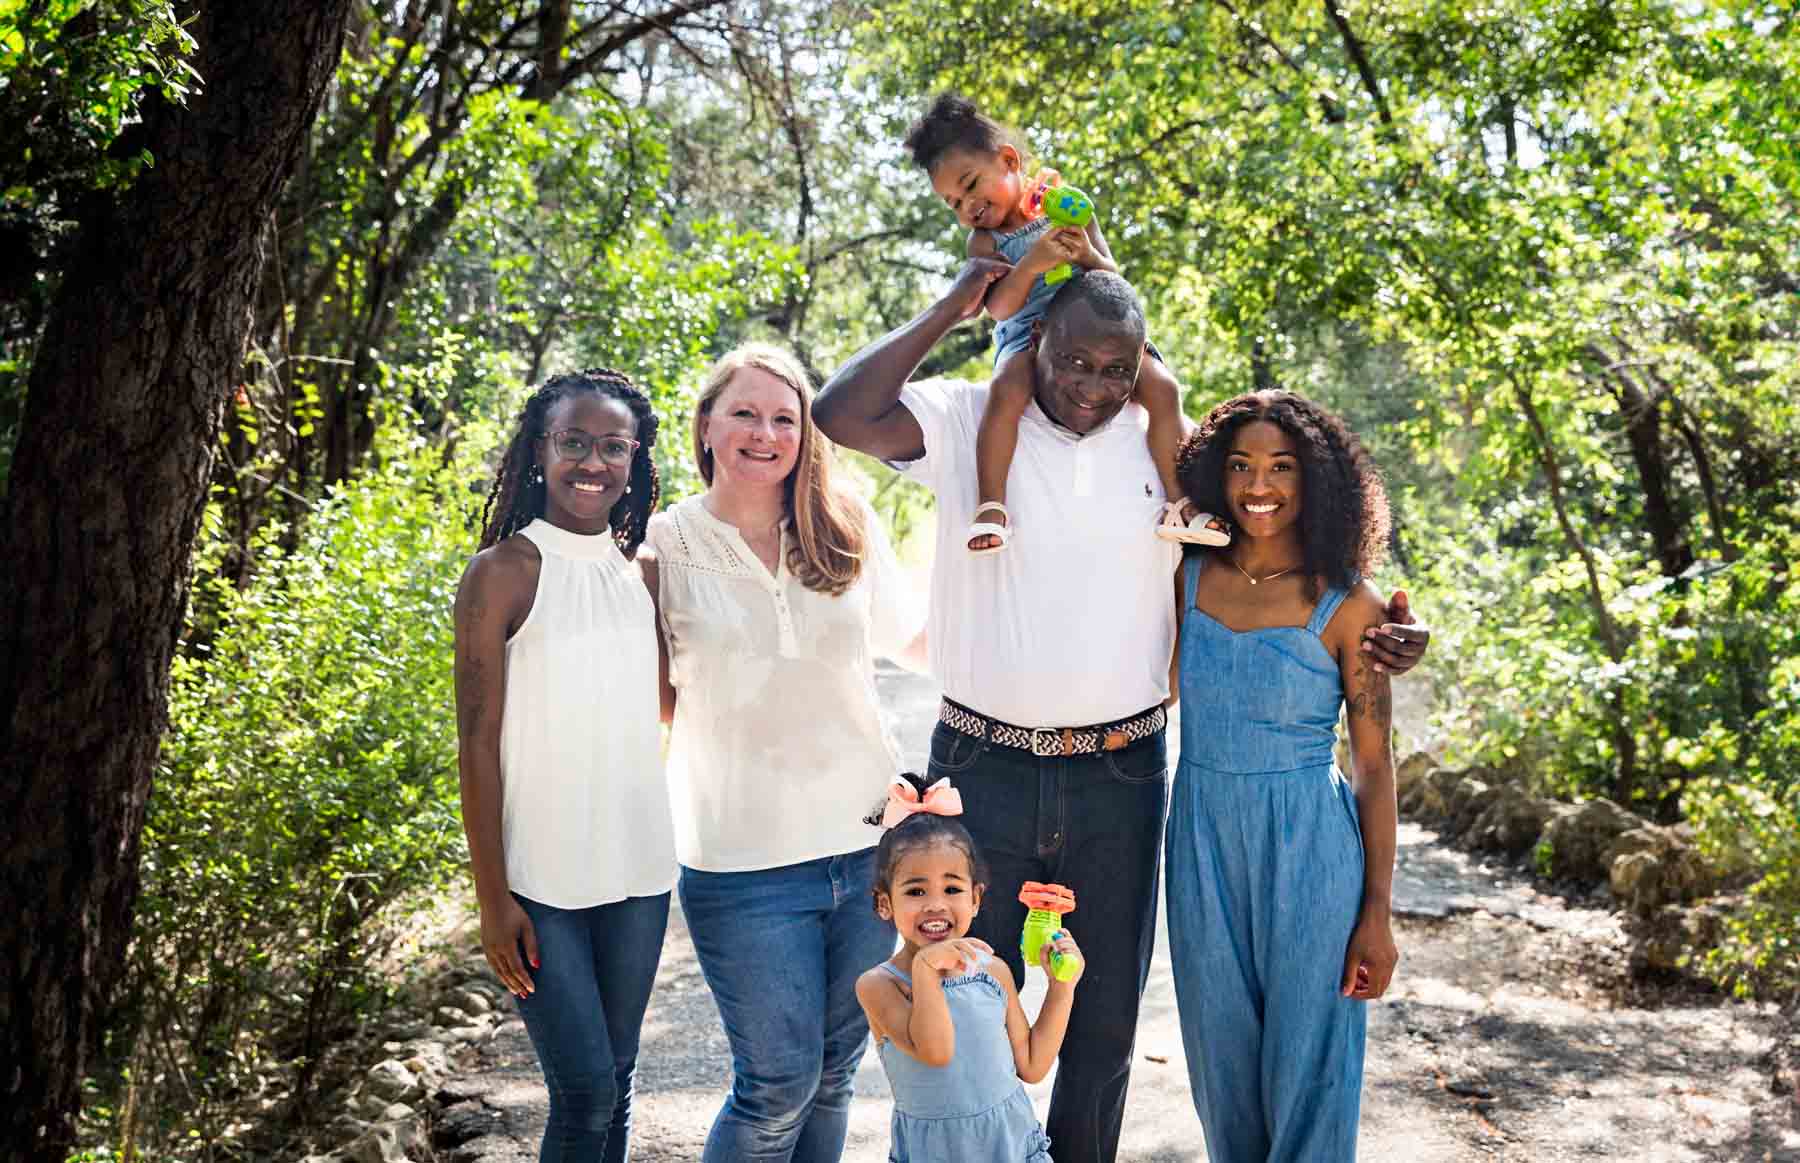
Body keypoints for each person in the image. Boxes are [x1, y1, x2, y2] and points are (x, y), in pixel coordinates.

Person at [813, 264, 1429, 1163]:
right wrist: (959, 301)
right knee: (969, 1014)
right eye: (1071, 361)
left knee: (1100, 1030)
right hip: (984, 764)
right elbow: (841, 412)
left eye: (1116, 368)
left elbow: (1293, 549)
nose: (1091, 385)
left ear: (1140, 368)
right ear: (1035, 346)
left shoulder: (1167, 454)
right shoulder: (966, 418)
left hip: (1123, 773)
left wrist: (1397, 633)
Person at [639, 342, 923, 1162]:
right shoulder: (663, 546)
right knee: (775, 1086)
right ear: (705, 426)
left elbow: (917, 639)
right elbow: (648, 700)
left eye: (783, 418)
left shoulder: (846, 525)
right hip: (742, 863)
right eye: (744, 413)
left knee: (836, 1073)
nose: (765, 433)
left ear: (805, 434)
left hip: (868, 849)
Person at [1165, 391, 1400, 1161]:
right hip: (1200, 839)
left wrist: (1376, 911)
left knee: (1312, 1070)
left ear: (1316, 481)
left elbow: (1372, 764)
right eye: (1239, 465)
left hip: (1311, 849)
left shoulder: (1351, 602)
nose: (1258, 484)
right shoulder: (1185, 575)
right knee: (1220, 1065)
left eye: (1281, 467)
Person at [452, 369, 674, 1162]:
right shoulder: (501, 572)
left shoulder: (642, 573)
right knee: (582, 1091)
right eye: (573, 442)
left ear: (636, 459)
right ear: (539, 450)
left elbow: (668, 707)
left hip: (640, 869)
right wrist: (492, 896)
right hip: (541, 878)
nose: (593, 462)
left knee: (616, 1078)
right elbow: (475, 741)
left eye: (613, 446)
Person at [902, 93, 1221, 552]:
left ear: (1009, 161)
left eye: (971, 185)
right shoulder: (985, 242)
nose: (967, 205)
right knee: (1005, 393)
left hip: (1101, 331)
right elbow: (1000, 308)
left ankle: (1179, 503)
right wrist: (1030, 265)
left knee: (1163, 389)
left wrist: (1086, 255)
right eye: (953, 203)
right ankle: (992, 503)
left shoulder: (1065, 205)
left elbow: (1113, 276)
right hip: (1028, 335)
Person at [856, 773, 1077, 1162]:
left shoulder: (992, 971)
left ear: (976, 899)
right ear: (884, 904)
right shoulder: (880, 986)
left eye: (953, 889)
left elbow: (1032, 1065)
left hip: (1007, 1144)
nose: (936, 904)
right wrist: (925, 970)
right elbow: (935, 1051)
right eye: (915, 891)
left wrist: (1063, 988)